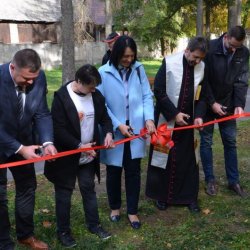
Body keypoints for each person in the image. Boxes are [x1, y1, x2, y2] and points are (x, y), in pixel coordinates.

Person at [44, 64, 114, 247]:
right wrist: (78, 145)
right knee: (64, 193)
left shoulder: (96, 96)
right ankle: (64, 232)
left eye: (95, 87)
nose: (93, 90)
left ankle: (94, 224)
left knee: (88, 189)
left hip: (88, 155)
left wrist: (108, 133)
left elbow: (105, 118)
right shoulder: (62, 97)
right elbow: (57, 129)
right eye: (90, 87)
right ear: (78, 82)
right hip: (67, 155)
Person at [0, 49, 57, 250]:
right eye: (26, 78)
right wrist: (19, 147)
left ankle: (25, 235)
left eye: (34, 78)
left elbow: (42, 113)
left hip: (25, 144)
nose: (31, 83)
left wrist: (48, 142)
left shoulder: (38, 78)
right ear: (13, 67)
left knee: (27, 189)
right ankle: (4, 242)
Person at [98, 35, 156, 229]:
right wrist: (118, 125)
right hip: (115, 130)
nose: (128, 60)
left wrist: (149, 118)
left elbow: (147, 96)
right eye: (125, 56)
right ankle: (115, 208)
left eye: (131, 56)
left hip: (136, 130)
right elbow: (101, 104)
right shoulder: (103, 73)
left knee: (133, 171)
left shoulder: (139, 69)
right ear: (116, 54)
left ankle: (132, 211)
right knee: (114, 170)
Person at [146, 37, 208, 213]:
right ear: (187, 50)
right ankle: (162, 197)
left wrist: (200, 116)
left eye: (200, 59)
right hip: (167, 120)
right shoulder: (170, 63)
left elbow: (203, 96)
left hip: (189, 124)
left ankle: (189, 197)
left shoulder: (202, 68)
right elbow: (158, 90)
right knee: (163, 158)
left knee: (189, 161)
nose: (197, 61)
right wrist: (174, 114)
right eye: (195, 57)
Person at [197, 26, 249, 197]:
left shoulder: (243, 52)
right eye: (231, 46)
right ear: (226, 37)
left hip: (228, 106)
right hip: (207, 104)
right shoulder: (209, 48)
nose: (234, 50)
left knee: (230, 142)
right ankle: (210, 180)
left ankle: (233, 181)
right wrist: (212, 103)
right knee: (206, 142)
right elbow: (203, 80)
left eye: (237, 47)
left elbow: (241, 80)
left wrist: (239, 104)